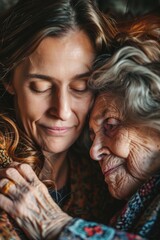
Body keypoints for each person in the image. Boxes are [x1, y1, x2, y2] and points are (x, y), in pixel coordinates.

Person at [0, 14, 159, 240]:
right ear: (9, 80)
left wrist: (58, 227)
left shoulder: (96, 183)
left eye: (80, 87)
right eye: (40, 86)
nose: (62, 111)